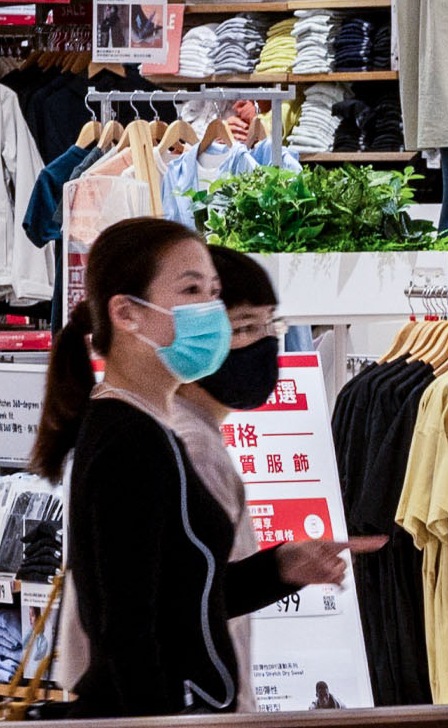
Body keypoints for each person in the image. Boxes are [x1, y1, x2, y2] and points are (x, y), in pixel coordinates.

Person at [30, 218, 359, 717]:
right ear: (127, 313)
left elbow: (182, 599)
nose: (210, 311)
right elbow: (126, 630)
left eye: (213, 293)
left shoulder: (143, 427)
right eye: (190, 291)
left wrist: (279, 568)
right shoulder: (129, 439)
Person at [166, 246, 288, 713]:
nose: (265, 343)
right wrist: (280, 570)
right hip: (199, 706)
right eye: (243, 328)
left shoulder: (196, 433)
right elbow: (189, 601)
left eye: (270, 324)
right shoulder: (191, 446)